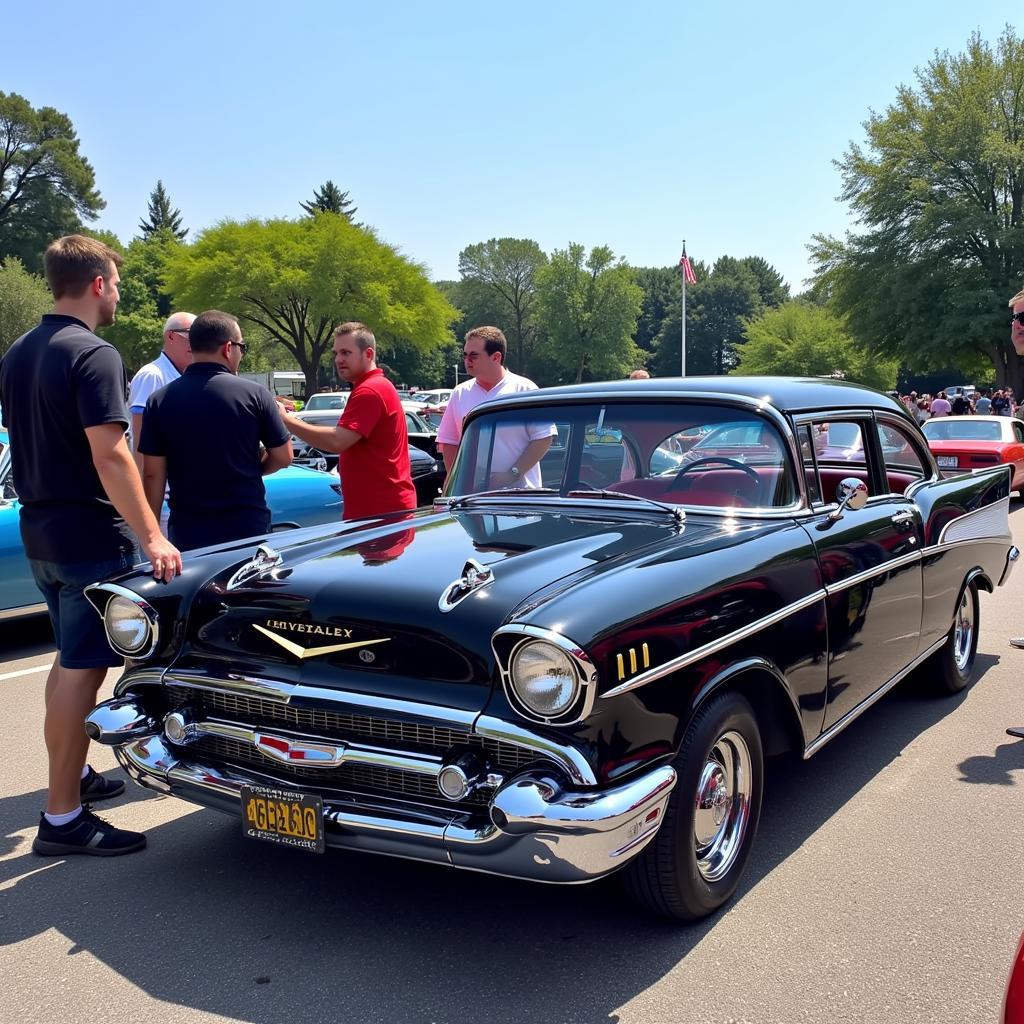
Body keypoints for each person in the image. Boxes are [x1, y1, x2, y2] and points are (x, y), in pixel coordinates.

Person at [0, 234, 181, 858]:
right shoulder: (93, 353)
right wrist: (152, 533)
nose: (119, 292)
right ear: (99, 283)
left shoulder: (19, 352)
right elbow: (111, 452)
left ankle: (72, 778)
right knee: (85, 669)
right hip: (86, 534)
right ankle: (62, 818)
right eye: (118, 282)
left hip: (39, 529)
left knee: (67, 660)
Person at [139, 311, 292, 550]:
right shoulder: (255, 394)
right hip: (246, 526)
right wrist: (252, 468)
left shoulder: (160, 400)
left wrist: (151, 536)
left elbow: (153, 474)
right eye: (242, 347)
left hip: (188, 529)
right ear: (228, 348)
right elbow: (284, 456)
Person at [277, 322, 416, 520]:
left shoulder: (370, 390)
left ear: (368, 354)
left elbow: (337, 441)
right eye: (336, 353)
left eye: (346, 353)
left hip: (380, 511)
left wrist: (286, 419)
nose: (338, 360)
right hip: (381, 509)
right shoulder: (374, 386)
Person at [436, 326, 555, 487]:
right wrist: (454, 481)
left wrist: (512, 474)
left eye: (474, 356)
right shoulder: (460, 393)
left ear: (496, 357)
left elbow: (543, 438)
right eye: (465, 355)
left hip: (521, 499)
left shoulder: (525, 389)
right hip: (473, 499)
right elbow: (450, 442)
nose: (467, 361)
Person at [128, 312, 195, 471]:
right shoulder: (152, 376)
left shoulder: (184, 375)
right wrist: (143, 492)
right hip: (160, 490)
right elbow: (140, 441)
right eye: (191, 334)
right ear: (171, 336)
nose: (198, 342)